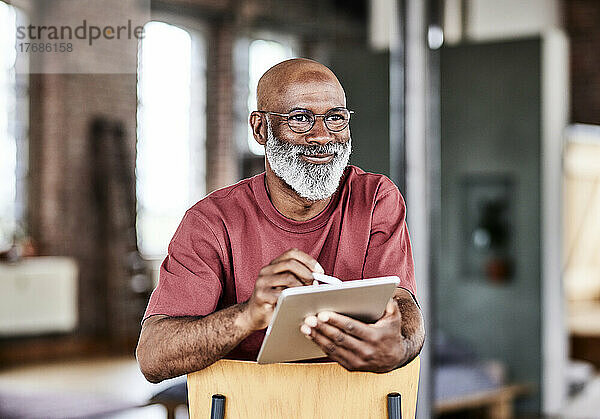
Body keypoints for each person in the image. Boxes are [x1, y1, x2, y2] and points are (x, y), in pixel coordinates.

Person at [136, 58, 425, 383]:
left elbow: (401, 300)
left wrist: (400, 347)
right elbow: (153, 356)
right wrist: (248, 315)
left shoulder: (374, 198)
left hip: (352, 400)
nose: (322, 136)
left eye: (336, 118)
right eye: (300, 118)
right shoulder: (211, 221)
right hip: (248, 405)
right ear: (260, 128)